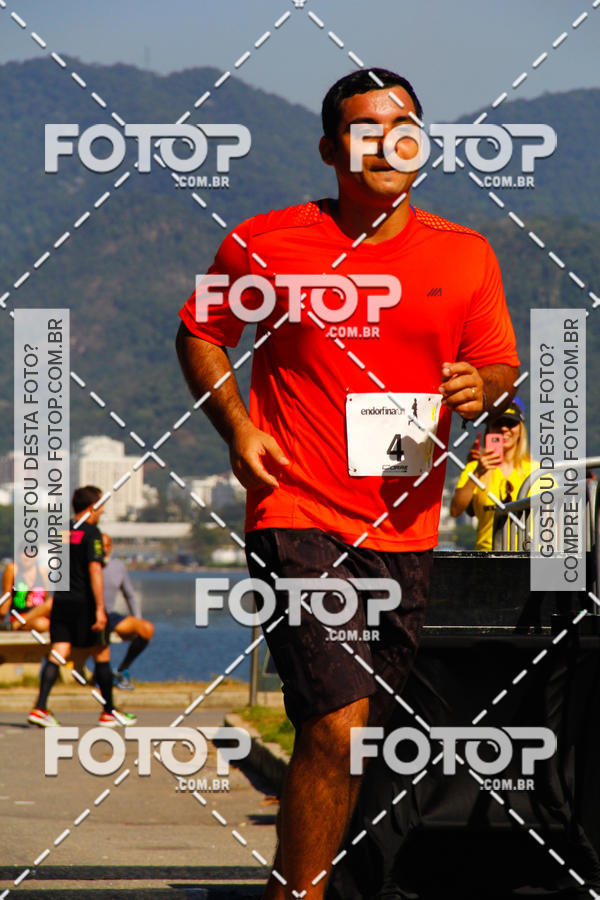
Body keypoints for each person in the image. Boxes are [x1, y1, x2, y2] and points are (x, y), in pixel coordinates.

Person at [176, 68, 520, 900]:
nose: (388, 143)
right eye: (367, 130)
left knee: (360, 734)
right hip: (296, 510)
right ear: (332, 150)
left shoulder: (466, 254)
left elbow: (499, 367)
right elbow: (199, 332)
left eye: (405, 127)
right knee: (335, 723)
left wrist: (481, 386)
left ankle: (303, 883)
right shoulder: (266, 244)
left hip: (404, 526)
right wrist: (239, 428)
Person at [28, 486, 136, 729]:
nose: (103, 510)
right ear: (91, 507)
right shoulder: (92, 533)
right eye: (100, 505)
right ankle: (108, 712)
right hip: (84, 602)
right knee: (101, 652)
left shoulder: (62, 532)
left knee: (58, 651)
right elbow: (95, 569)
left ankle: (40, 707)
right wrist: (100, 608)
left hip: (61, 601)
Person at [450, 402, 535, 551]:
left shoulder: (536, 470)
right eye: (498, 423)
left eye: (511, 424)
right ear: (488, 429)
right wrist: (477, 473)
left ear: (520, 430)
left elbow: (550, 518)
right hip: (487, 554)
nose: (504, 429)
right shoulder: (474, 468)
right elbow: (455, 510)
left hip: (529, 552)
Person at [101, 533, 154, 689]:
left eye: (107, 545)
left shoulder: (118, 567)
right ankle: (100, 676)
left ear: (111, 547)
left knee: (146, 629)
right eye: (101, 545)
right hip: (87, 615)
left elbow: (130, 595)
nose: (104, 549)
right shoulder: (85, 564)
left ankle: (122, 669)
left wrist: (137, 618)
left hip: (110, 615)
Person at [1, 548, 52, 632]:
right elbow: (6, 598)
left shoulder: (43, 572)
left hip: (40, 616)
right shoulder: (13, 569)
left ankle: (15, 625)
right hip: (19, 615)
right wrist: (1, 616)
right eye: (24, 553)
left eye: (31, 553)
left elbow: (46, 600)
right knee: (41, 624)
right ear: (18, 554)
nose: (27, 556)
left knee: (52, 602)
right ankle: (16, 624)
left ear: (36, 556)